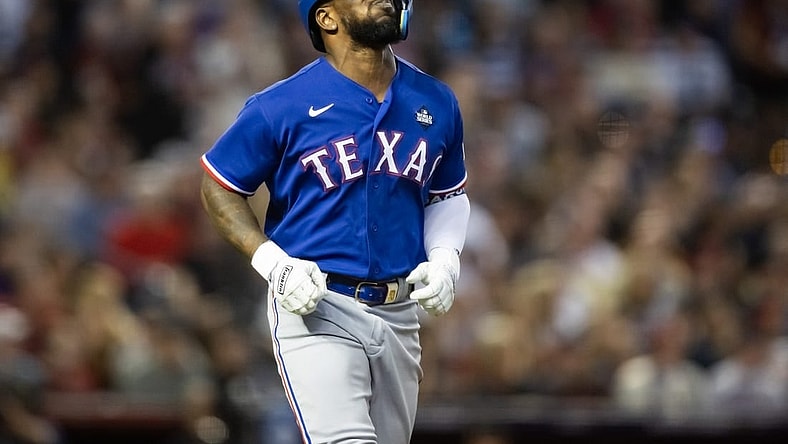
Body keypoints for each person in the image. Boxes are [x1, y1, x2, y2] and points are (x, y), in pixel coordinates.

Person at [198, 1, 471, 443]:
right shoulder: (281, 105)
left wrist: (444, 260)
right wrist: (273, 263)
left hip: (401, 312)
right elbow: (219, 186)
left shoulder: (436, 100)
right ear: (327, 18)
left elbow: (447, 195)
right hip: (317, 303)